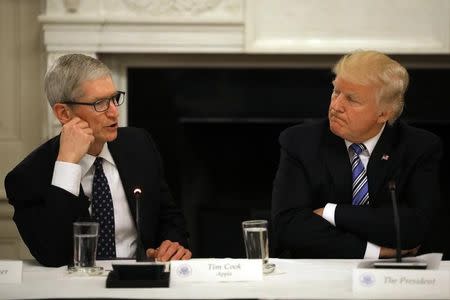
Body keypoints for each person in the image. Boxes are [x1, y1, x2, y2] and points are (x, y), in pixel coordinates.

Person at [4, 54, 191, 267]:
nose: (114, 112)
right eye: (100, 103)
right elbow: (52, 255)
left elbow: (169, 217)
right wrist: (67, 165)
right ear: (64, 113)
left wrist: (172, 244)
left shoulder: (139, 145)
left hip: (138, 282)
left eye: (113, 98)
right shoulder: (26, 177)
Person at [271, 50, 442, 259]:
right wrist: (375, 251)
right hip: (320, 271)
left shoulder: (418, 147)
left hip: (395, 278)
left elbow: (414, 227)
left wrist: (330, 212)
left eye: (352, 99)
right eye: (336, 92)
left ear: (383, 113)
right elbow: (288, 226)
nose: (336, 106)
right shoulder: (300, 142)